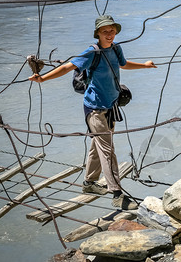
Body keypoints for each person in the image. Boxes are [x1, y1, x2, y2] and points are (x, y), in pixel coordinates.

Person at [29, 15, 156, 209]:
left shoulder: (116, 49)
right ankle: (117, 195)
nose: (109, 34)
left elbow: (123, 64)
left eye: (112, 30)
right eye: (105, 31)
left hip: (111, 105)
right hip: (94, 108)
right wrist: (43, 79)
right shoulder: (91, 52)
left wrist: (144, 66)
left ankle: (89, 183)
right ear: (97, 33)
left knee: (98, 145)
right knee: (107, 150)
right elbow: (66, 67)